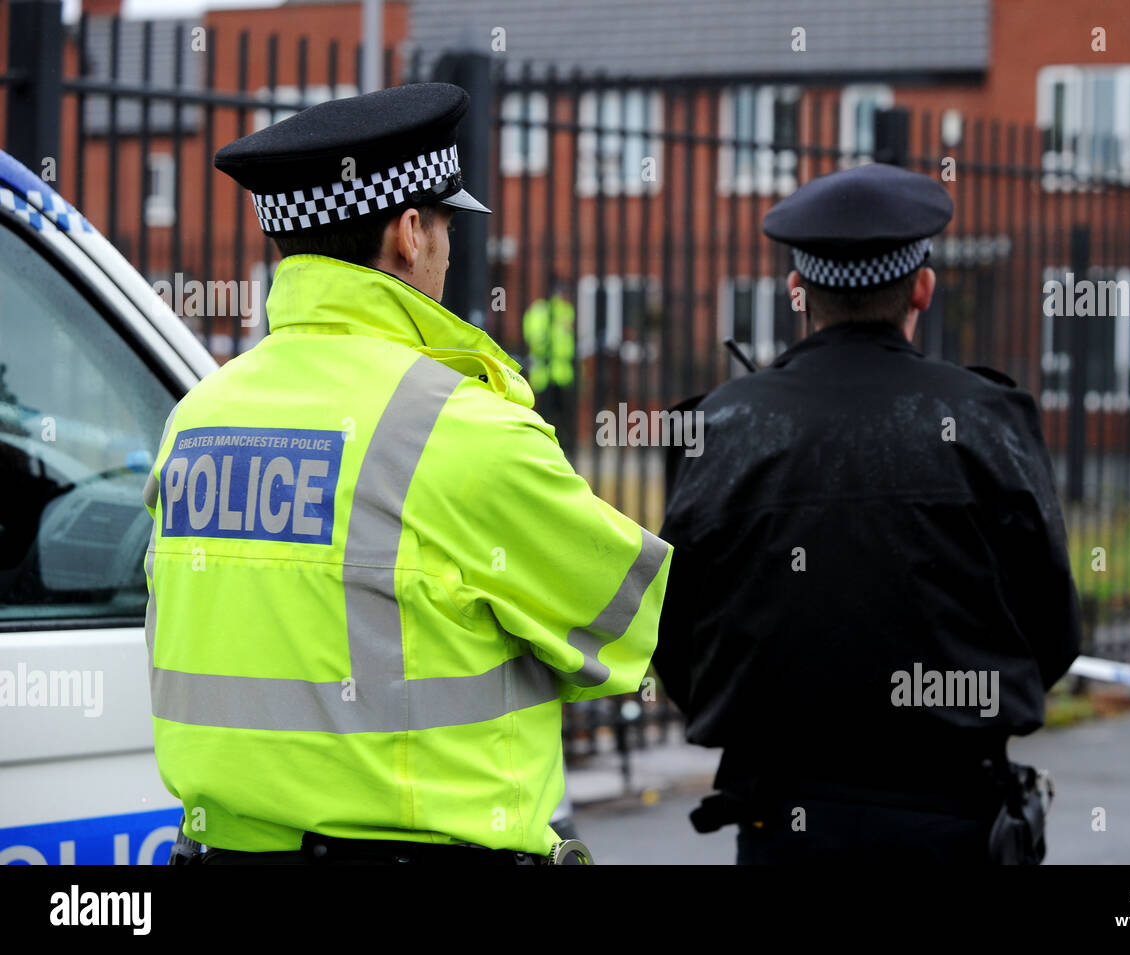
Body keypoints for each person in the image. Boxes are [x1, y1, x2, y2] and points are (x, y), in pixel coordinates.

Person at [142, 83, 671, 865]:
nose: (452, 250)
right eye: (450, 223)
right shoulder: (462, 428)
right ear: (410, 232)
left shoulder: (196, 417)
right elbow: (627, 630)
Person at [654, 162, 1080, 865]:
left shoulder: (721, 428)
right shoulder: (986, 420)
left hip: (784, 825)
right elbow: (1052, 633)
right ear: (923, 286)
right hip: (955, 822)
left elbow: (677, 640)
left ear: (797, 290)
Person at [522, 281, 577, 454]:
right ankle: (547, 449)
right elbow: (533, 337)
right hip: (545, 373)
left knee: (565, 417)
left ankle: (564, 449)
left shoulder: (567, 311)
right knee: (546, 416)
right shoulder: (539, 311)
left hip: (563, 372)